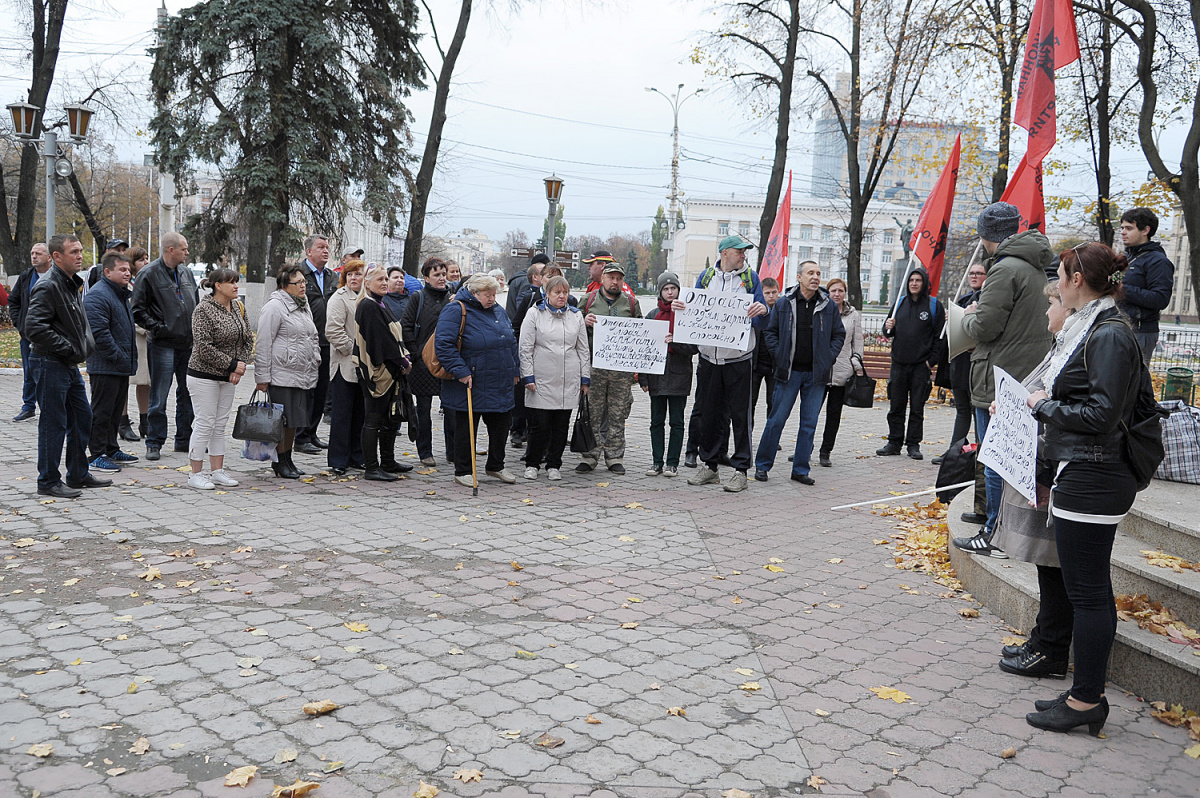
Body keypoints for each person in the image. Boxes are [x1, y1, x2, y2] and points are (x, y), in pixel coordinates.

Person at [1023, 242, 1145, 737]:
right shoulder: (1090, 327)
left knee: (1090, 593)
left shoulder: (1108, 333)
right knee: (1084, 588)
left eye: (1063, 272)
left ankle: (1086, 701)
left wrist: (1042, 406)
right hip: (1083, 469)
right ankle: (1082, 695)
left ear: (1077, 280)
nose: (1057, 279)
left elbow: (1101, 414)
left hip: (1097, 472)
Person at [954, 201, 1053, 557]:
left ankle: (992, 533)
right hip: (1024, 373)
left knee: (996, 457)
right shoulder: (1034, 265)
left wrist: (967, 317)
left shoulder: (1005, 269)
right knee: (1015, 458)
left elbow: (985, 326)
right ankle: (1003, 530)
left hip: (998, 375)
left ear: (985, 235)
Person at [987, 280, 1074, 679]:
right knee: (1046, 563)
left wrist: (1031, 405)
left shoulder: (1081, 347)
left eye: (1051, 303)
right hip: (1046, 463)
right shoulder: (1061, 346)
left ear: (1069, 306)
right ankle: (1043, 639)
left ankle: (1052, 649)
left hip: (1063, 471)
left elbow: (1059, 404)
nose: (1046, 312)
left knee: (1055, 564)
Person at [24, 235, 111, 498]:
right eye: (73, 251)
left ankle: (77, 474)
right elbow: (34, 327)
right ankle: (48, 481)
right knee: (54, 423)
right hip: (50, 362)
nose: (79, 255)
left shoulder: (70, 283)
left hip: (67, 364)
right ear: (57, 257)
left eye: (80, 250)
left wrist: (78, 350)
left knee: (81, 417)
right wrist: (69, 348)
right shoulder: (48, 285)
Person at [685, 235, 770, 493]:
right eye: (739, 251)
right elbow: (693, 311)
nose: (744, 256)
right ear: (724, 253)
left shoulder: (750, 279)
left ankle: (741, 469)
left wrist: (763, 311)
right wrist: (681, 308)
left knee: (740, 416)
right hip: (709, 359)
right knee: (709, 413)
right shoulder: (706, 277)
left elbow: (763, 314)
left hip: (738, 360)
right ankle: (710, 467)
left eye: (745, 252)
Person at [753, 260, 844, 484]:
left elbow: (838, 334)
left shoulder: (828, 305)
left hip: (816, 376)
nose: (815, 277)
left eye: (818, 273)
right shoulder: (784, 303)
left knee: (809, 424)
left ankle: (800, 470)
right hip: (788, 373)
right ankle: (763, 465)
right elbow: (770, 332)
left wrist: (828, 357)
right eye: (810, 273)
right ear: (799, 277)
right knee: (776, 420)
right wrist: (779, 354)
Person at [435, 273, 520, 486]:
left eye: (494, 294)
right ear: (474, 293)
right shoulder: (456, 310)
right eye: (487, 295)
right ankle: (463, 469)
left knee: (501, 425)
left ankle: (495, 466)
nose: (492, 298)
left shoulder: (498, 310)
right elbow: (443, 344)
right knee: (466, 428)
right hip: (471, 379)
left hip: (500, 379)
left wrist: (515, 369)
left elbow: (510, 341)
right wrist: (461, 371)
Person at [132, 231, 199, 461]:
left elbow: (194, 304)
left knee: (187, 393)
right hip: (162, 344)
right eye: (184, 248)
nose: (187, 252)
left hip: (187, 344)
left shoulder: (187, 272)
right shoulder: (148, 274)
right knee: (159, 395)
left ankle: (184, 439)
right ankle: (154, 442)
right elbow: (137, 309)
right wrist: (158, 328)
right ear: (171, 250)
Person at [186, 267, 252, 490]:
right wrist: (232, 364)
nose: (236, 286)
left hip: (228, 377)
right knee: (205, 422)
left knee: (219, 424)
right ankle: (195, 473)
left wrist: (238, 366)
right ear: (217, 285)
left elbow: (247, 338)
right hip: (203, 375)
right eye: (231, 282)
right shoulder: (203, 310)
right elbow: (203, 347)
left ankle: (217, 471)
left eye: (237, 281)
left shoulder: (237, 306)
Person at [519, 275, 591, 481]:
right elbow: (525, 348)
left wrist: (585, 378)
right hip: (541, 377)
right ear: (548, 293)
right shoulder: (534, 314)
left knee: (561, 425)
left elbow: (583, 349)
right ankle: (532, 463)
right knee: (539, 425)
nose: (562, 296)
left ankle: (554, 464)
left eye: (565, 292)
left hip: (568, 378)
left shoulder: (576, 316)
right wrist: (527, 375)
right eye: (557, 292)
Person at [255, 264, 321, 479]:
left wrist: (316, 355)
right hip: (281, 374)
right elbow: (263, 343)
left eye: (304, 281)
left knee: (293, 421)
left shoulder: (303, 304)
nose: (303, 286)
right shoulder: (274, 307)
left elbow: (313, 335)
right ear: (284, 286)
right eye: (298, 283)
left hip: (301, 373)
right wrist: (262, 377)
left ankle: (288, 459)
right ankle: (279, 462)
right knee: (281, 422)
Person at [581, 260, 643, 475]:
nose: (615, 282)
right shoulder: (588, 301)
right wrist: (583, 320)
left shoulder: (631, 304)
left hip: (621, 371)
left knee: (618, 414)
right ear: (603, 279)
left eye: (618, 278)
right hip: (594, 368)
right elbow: (572, 326)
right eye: (611, 277)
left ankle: (614, 456)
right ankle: (590, 456)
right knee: (593, 413)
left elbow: (642, 333)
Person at [876, 266, 944, 460]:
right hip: (899, 364)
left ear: (924, 284)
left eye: (918, 280)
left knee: (916, 408)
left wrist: (931, 362)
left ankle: (913, 445)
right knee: (896, 406)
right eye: (911, 280)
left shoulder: (933, 306)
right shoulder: (899, 303)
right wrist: (888, 327)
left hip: (920, 367)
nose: (914, 283)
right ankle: (894, 442)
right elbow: (887, 331)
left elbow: (939, 337)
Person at [355, 265, 414, 481]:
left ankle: (388, 461)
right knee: (374, 420)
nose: (383, 282)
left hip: (392, 370)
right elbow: (381, 341)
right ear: (367, 283)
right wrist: (401, 362)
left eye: (384, 279)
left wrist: (404, 357)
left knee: (390, 419)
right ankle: (372, 467)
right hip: (378, 373)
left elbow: (394, 336)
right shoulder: (368, 306)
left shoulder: (380, 302)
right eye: (378, 279)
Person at [82, 252, 139, 474]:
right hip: (106, 365)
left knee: (115, 411)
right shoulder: (99, 295)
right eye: (122, 270)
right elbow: (100, 334)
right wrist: (118, 356)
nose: (127, 273)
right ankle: (96, 454)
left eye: (128, 270)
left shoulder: (120, 294)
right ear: (107, 272)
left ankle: (111, 448)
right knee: (102, 411)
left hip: (119, 365)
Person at [639, 271, 697, 477]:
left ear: (679, 291)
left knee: (677, 422)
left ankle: (672, 463)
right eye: (666, 289)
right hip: (656, 377)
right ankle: (657, 462)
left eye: (673, 288)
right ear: (660, 292)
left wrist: (676, 341)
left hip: (679, 376)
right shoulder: (653, 315)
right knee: (656, 422)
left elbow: (694, 348)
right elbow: (643, 349)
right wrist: (643, 378)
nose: (670, 292)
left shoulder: (687, 314)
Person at [401, 258, 456, 466]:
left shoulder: (452, 298)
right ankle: (425, 452)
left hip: (448, 363)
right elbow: (406, 326)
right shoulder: (418, 297)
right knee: (423, 411)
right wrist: (416, 354)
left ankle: (453, 452)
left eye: (443, 274)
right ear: (426, 278)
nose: (442, 278)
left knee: (451, 409)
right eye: (437, 275)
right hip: (423, 364)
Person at [936, 262, 987, 467]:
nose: (974, 276)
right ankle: (953, 452)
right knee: (962, 410)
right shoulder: (963, 299)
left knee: (977, 411)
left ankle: (981, 454)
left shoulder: (986, 301)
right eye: (972, 273)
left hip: (976, 364)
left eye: (979, 273)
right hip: (960, 364)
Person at [295, 235, 337, 454]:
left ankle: (312, 433)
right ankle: (300, 437)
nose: (325, 251)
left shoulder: (332, 277)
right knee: (306, 391)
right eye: (321, 247)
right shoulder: (298, 274)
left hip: (327, 342)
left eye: (327, 248)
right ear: (309, 251)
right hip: (305, 343)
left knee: (321, 390)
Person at [1117, 207, 1174, 367]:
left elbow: (1160, 299)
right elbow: (1115, 281)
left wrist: (1123, 289)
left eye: (1129, 228)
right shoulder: (1126, 258)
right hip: (1118, 325)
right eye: (1122, 228)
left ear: (1145, 230)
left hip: (1140, 331)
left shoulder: (1158, 261)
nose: (1123, 232)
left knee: (1134, 383)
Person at [325, 259, 367, 475]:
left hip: (365, 368)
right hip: (345, 365)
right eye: (349, 274)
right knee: (342, 415)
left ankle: (356, 456)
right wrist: (355, 351)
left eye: (358, 274)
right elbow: (333, 331)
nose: (353, 278)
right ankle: (338, 460)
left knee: (360, 414)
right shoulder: (339, 298)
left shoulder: (367, 297)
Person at [816, 277, 863, 467]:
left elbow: (857, 344)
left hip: (842, 372)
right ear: (828, 293)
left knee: (834, 415)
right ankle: (804, 448)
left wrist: (855, 363)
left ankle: (826, 451)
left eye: (840, 291)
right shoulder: (820, 310)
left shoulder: (853, 315)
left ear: (845, 293)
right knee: (811, 413)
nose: (836, 294)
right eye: (833, 291)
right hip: (819, 372)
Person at [10, 242, 51, 422]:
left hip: (51, 336)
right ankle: (28, 406)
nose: (34, 256)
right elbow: (14, 301)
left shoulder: (57, 276)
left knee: (49, 372)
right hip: (28, 335)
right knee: (29, 371)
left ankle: (49, 408)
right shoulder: (26, 276)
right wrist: (20, 323)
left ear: (49, 257)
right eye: (32, 253)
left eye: (39, 253)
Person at [121, 247, 151, 443]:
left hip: (147, 339)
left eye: (147, 258)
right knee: (124, 382)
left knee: (145, 381)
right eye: (141, 260)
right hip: (130, 337)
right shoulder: (125, 284)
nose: (146, 262)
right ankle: (122, 422)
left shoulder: (148, 281)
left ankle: (145, 420)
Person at [751, 277, 781, 427]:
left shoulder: (783, 311)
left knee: (774, 403)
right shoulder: (756, 310)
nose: (771, 296)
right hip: (755, 364)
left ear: (778, 292)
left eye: (774, 292)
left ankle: (771, 437)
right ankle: (746, 437)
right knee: (750, 403)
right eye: (767, 293)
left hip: (774, 366)